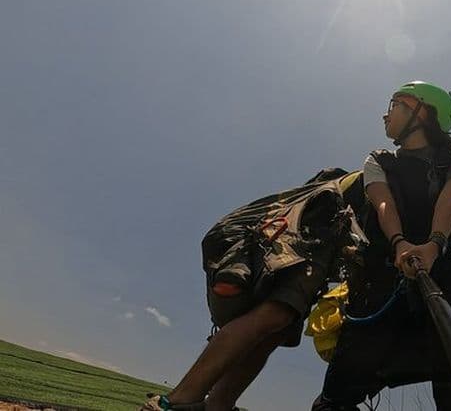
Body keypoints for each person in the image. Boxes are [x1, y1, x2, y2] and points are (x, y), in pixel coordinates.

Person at [312, 81, 451, 411]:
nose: (385, 114)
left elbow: (447, 206)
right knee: (339, 391)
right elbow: (384, 205)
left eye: (393, 105)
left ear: (421, 113)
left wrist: (433, 247)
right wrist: (399, 244)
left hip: (449, 273)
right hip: (384, 275)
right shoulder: (378, 160)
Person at [141, 171, 362, 411]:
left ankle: (218, 404)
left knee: (276, 330)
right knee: (274, 316)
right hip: (307, 242)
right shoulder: (372, 173)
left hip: (309, 248)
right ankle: (178, 401)